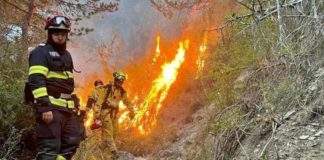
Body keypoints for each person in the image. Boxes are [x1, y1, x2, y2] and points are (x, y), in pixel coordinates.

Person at [28, 13, 81, 160]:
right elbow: (36, 80)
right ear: (50, 33)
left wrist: (75, 103)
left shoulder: (67, 55)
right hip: (51, 109)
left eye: (63, 33)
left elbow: (68, 82)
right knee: (49, 148)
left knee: (72, 142)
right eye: (56, 33)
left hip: (66, 110)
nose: (60, 37)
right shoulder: (41, 53)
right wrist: (44, 107)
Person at [94, 71, 135, 160]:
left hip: (115, 115)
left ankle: (100, 151)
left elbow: (127, 102)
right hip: (105, 113)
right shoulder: (107, 88)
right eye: (120, 80)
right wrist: (97, 113)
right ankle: (114, 153)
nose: (121, 82)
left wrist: (132, 111)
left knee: (114, 133)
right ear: (116, 79)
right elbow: (99, 101)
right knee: (108, 132)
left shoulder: (122, 91)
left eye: (122, 81)